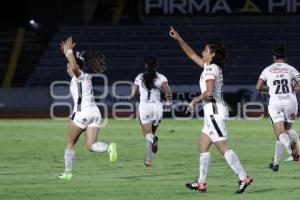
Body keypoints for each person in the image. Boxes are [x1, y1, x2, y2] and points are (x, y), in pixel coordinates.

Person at [169, 27, 253, 193]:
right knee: (202, 146)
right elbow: (191, 54)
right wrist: (179, 39)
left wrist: (194, 100)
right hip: (212, 111)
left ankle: (243, 177)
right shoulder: (211, 67)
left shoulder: (209, 69)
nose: (202, 52)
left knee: (222, 147)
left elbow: (208, 93)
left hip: (214, 111)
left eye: (206, 50)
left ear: (212, 54)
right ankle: (201, 182)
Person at [58, 37, 117, 180]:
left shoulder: (78, 76)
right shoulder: (85, 77)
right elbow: (74, 65)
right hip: (95, 113)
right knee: (91, 145)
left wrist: (69, 52)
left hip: (81, 113)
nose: (67, 67)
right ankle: (109, 147)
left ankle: (68, 173)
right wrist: (68, 53)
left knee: (71, 142)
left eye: (68, 65)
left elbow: (73, 67)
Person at [256, 45, 300, 171]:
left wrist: (270, 90)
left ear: (274, 57)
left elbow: (258, 87)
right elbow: (299, 86)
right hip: (291, 102)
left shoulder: (268, 70)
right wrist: (292, 89)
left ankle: (291, 149)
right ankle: (275, 163)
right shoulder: (291, 69)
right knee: (284, 132)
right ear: (285, 57)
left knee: (280, 133)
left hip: (275, 103)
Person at [132, 55, 172, 167]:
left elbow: (134, 92)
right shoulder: (161, 78)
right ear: (156, 65)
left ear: (145, 65)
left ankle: (153, 142)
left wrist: (142, 92)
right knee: (151, 134)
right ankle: (148, 160)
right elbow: (168, 92)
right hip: (157, 108)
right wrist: (169, 102)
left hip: (145, 107)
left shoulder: (140, 77)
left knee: (148, 135)